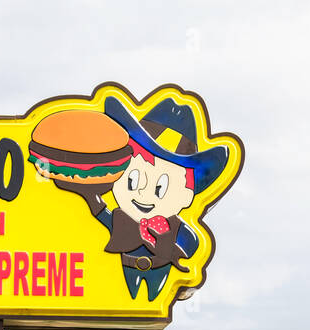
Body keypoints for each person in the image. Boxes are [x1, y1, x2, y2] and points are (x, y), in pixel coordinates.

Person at [53, 96, 229, 301]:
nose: (144, 194)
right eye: (132, 180)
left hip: (160, 270)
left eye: (160, 188)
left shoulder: (177, 230)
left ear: (186, 194)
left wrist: (176, 251)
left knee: (151, 300)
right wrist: (88, 193)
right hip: (126, 268)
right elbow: (101, 213)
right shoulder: (121, 220)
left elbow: (193, 245)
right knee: (126, 299)